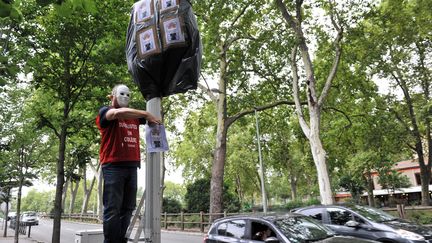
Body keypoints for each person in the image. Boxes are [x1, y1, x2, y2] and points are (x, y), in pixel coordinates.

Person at [96, 84, 161, 243]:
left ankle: (121, 239)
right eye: (121, 94)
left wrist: (154, 119)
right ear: (112, 96)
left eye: (128, 94)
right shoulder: (105, 111)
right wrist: (146, 114)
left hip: (132, 166)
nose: (125, 97)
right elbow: (118, 113)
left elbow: (154, 119)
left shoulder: (134, 116)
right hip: (113, 166)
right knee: (113, 208)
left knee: (128, 208)